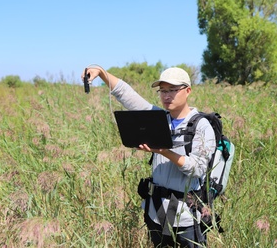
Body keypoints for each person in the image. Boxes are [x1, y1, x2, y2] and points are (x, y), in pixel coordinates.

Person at [82, 65, 216, 248]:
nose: (167, 96)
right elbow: (127, 95)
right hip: (157, 212)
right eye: (163, 91)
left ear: (188, 91)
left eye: (173, 90)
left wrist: (164, 152)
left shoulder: (201, 126)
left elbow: (197, 168)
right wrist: (101, 73)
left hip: (186, 217)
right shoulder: (157, 118)